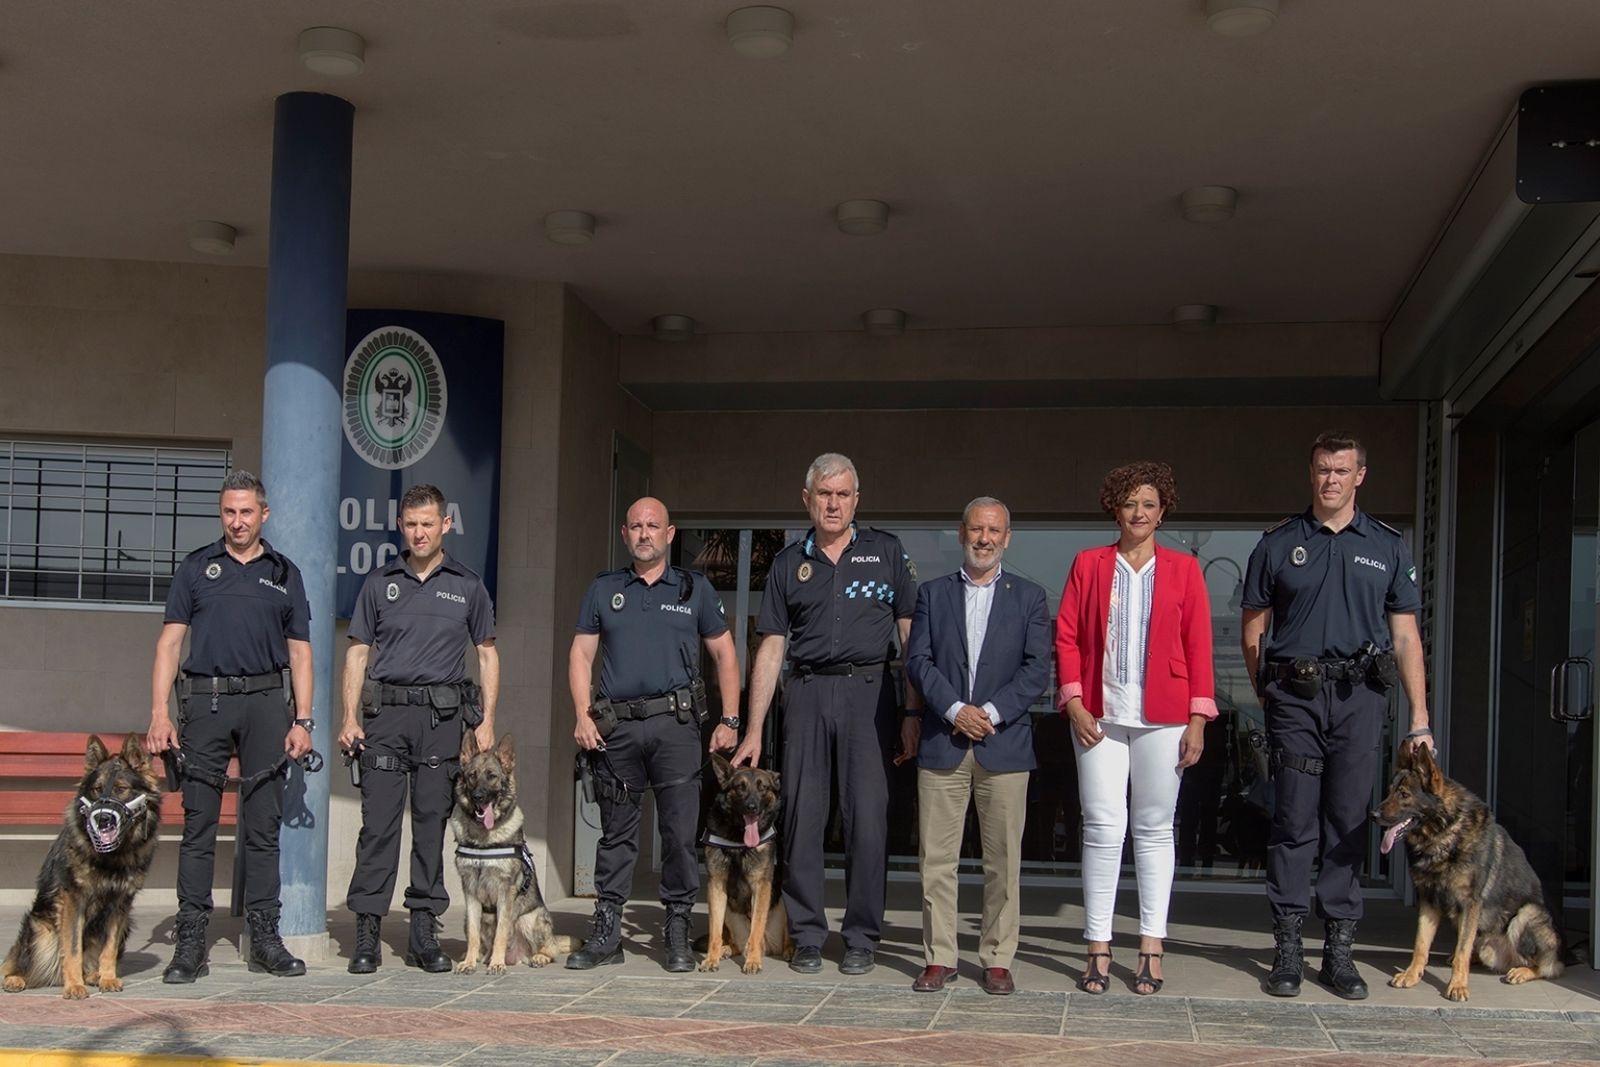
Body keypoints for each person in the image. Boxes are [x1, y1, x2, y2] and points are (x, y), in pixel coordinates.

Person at [1242, 430, 1431, 1000]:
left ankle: (1339, 953)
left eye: (1341, 471)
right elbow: (1254, 626)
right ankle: (1288, 949)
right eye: (1322, 469)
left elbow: (1406, 638)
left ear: (1359, 476)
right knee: (1294, 823)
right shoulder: (1277, 543)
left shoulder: (1388, 545)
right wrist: (1267, 693)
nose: (1330, 480)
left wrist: (1420, 718)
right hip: (1295, 701)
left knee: (1348, 822)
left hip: (1360, 702)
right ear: (1312, 473)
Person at [732, 452, 920, 976]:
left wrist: (913, 709)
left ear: (856, 500)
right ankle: (808, 934)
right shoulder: (789, 563)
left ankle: (861, 936)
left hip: (871, 693)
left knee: (867, 821)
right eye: (824, 494)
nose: (833, 503)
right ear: (807, 500)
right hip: (808, 693)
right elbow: (771, 647)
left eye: (842, 494)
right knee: (803, 818)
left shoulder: (886, 553)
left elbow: (910, 636)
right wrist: (753, 728)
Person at [145, 471, 314, 983]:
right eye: (228, 512)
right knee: (198, 828)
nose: (237, 522)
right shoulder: (196, 568)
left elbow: (301, 654)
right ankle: (191, 942)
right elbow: (170, 644)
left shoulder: (285, 573)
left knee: (263, 830)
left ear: (264, 514)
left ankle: (265, 938)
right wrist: (159, 712)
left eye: (246, 512)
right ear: (221, 514)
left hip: (266, 704)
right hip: (206, 704)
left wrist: (303, 719)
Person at [1055, 462, 1216, 996]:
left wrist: (1198, 717)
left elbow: (1198, 645)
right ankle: (1097, 946)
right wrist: (1074, 702)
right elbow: (1069, 637)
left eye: (1148, 503)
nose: (1139, 513)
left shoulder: (1186, 569)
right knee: (1101, 828)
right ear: (1114, 509)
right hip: (1099, 715)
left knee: (1154, 829)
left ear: (1162, 509)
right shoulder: (1089, 564)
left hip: (1165, 717)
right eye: (1129, 503)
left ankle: (1151, 944)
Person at [566, 497, 742, 972]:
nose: (645, 533)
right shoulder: (604, 590)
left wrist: (729, 720)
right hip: (616, 729)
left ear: (670, 533)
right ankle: (606, 933)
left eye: (654, 526)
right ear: (625, 534)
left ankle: (679, 930)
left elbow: (726, 654)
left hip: (676, 728)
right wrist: (583, 715)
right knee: (616, 835)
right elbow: (581, 655)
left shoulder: (694, 588)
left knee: (680, 835)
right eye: (636, 526)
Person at [338, 484, 498, 975]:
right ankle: (367, 929)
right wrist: (348, 718)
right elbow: (358, 652)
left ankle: (424, 931)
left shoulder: (468, 584)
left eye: (428, 523)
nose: (419, 532)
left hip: (442, 721)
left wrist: (488, 720)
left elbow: (487, 654)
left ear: (445, 525)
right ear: (401, 526)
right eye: (410, 524)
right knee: (378, 827)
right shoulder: (379, 581)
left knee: (431, 825)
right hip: (385, 719)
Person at [904, 497, 1049, 996]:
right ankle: (940, 956)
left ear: (1007, 538)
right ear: (962, 533)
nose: (984, 538)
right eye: (976, 529)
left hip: (1004, 745)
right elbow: (918, 661)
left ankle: (996, 957)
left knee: (1002, 862)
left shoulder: (1030, 597)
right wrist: (953, 709)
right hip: (944, 742)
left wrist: (987, 713)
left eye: (994, 530)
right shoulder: (932, 594)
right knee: (936, 860)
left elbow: (1037, 671)